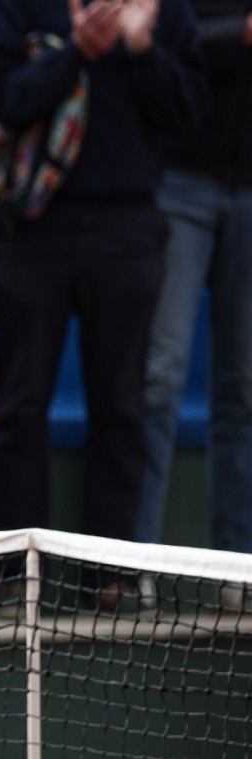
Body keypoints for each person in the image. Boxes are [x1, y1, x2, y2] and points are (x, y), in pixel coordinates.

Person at [0, 0, 205, 608]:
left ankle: (109, 578)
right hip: (30, 227)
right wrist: (76, 52)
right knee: (20, 404)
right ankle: (11, 576)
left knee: (122, 406)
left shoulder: (163, 9)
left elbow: (188, 114)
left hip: (128, 224)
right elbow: (2, 99)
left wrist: (142, 50)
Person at [136, 0, 252, 610]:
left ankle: (240, 568)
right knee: (160, 373)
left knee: (245, 387)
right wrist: (241, 34)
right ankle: (135, 564)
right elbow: (159, 37)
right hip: (181, 178)